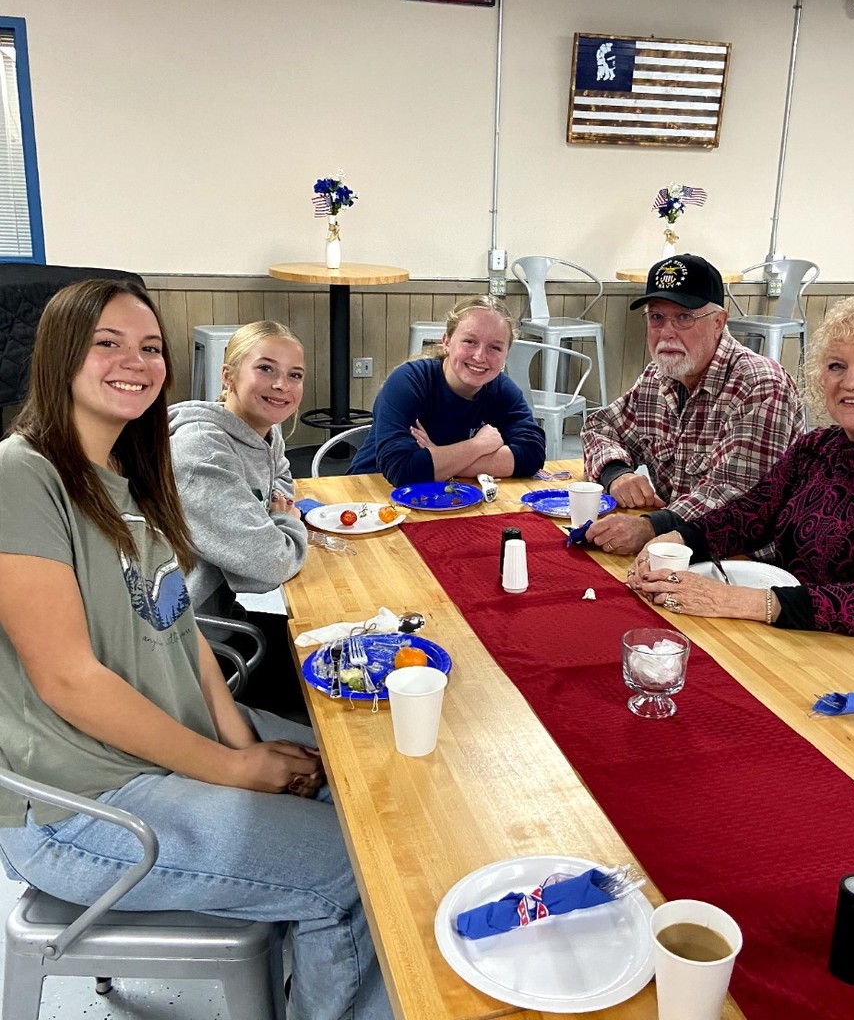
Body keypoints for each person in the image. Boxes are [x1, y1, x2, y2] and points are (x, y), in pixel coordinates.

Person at [0, 279, 390, 1020]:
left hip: (164, 752)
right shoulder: (21, 475)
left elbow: (181, 632)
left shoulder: (129, 475)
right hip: (82, 808)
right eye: (105, 344)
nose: (135, 362)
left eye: (150, 347)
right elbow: (68, 680)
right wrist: (235, 768)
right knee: (353, 872)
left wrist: (242, 736)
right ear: (57, 358)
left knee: (369, 785)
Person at [628, 291, 854, 706]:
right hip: (811, 643)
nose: (851, 381)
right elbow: (752, 514)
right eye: (836, 366)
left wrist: (735, 600)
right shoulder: (821, 446)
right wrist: (678, 538)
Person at [581, 254, 804, 556]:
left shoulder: (761, 387)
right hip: (672, 550)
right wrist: (617, 473)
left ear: (718, 323)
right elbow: (601, 426)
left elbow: (734, 497)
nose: (666, 332)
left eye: (684, 317)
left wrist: (651, 526)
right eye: (656, 317)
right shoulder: (659, 375)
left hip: (746, 565)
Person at [168, 321, 307, 715]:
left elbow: (280, 476)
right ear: (228, 376)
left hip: (227, 617)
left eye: (294, 375)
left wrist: (268, 515)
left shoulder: (264, 428)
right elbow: (268, 565)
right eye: (266, 369)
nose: (281, 385)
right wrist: (283, 524)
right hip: (192, 650)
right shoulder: (199, 450)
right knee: (348, 683)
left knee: (348, 645)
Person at [348, 295, 546, 484]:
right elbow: (403, 470)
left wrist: (438, 454)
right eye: (470, 341)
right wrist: (478, 446)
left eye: (495, 348)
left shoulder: (501, 388)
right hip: (369, 496)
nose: (479, 356)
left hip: (446, 496)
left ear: (506, 354)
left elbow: (532, 455)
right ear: (447, 342)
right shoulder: (408, 381)